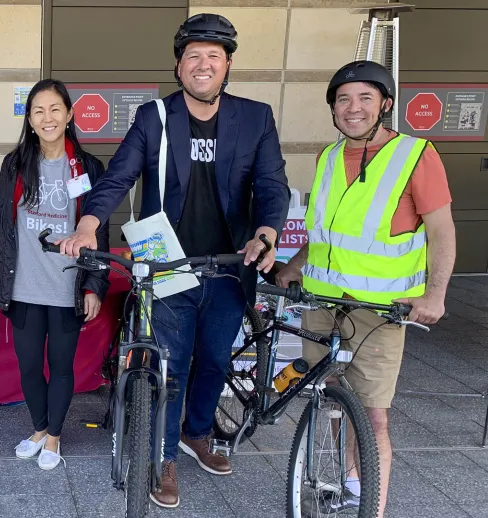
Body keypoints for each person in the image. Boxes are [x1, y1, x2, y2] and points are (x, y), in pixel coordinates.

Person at [56, 13, 291, 508]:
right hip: (166, 264)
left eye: (213, 56)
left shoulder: (256, 118)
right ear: (178, 65)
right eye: (193, 56)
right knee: (170, 365)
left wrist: (267, 231)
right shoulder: (154, 118)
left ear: (227, 65)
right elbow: (118, 177)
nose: (202, 65)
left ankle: (197, 432)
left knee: (214, 359)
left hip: (229, 263)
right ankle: (162, 456)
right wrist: (89, 223)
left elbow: (271, 185)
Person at [274, 60, 456, 517]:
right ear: (333, 108)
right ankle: (342, 472)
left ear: (385, 105)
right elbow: (325, 234)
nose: (352, 108)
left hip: (379, 309)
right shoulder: (328, 157)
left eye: (364, 98)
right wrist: (294, 266)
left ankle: (366, 496)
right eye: (343, 99)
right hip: (321, 300)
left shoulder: (416, 154)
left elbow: (442, 232)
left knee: (373, 412)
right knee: (327, 395)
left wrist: (435, 295)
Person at [0, 79, 110, 470]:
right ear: (30, 119)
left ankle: (53, 437)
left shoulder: (88, 167)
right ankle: (38, 428)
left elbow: (100, 233)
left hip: (67, 285)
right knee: (30, 365)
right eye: (38, 110)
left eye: (55, 109)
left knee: (62, 366)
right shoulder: (16, 164)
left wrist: (93, 285)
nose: (47, 117)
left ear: (69, 115)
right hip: (23, 284)